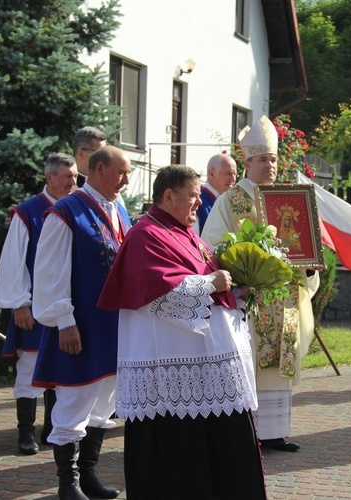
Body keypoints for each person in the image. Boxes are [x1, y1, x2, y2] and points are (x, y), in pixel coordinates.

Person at [97, 165, 266, 499]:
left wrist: (240, 288)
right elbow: (154, 290)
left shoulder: (187, 233)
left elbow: (208, 289)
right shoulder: (146, 234)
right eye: (193, 194)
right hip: (169, 368)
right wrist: (210, 282)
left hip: (207, 365)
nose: (198, 201)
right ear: (169, 195)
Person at [202, 115, 320, 452]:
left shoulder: (289, 198)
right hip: (251, 299)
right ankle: (246, 432)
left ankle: (274, 432)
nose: (269, 165)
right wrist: (242, 274)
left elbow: (304, 245)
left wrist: (310, 267)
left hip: (284, 298)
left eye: (273, 159)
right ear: (248, 163)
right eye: (262, 159)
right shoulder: (230, 201)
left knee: (282, 363)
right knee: (250, 362)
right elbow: (213, 246)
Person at [32, 146, 131, 500]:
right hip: (80, 326)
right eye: (122, 172)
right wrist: (64, 321)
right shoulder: (65, 212)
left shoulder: (119, 209)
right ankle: (67, 483)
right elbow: (49, 272)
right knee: (74, 400)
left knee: (104, 402)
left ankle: (87, 475)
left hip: (113, 326)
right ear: (99, 169)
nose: (127, 179)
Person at [0, 153, 77, 455]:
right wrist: (19, 303)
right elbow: (14, 259)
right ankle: (25, 432)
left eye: (75, 176)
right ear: (50, 178)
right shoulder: (28, 212)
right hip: (33, 307)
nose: (73, 182)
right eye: (67, 176)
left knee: (60, 368)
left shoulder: (76, 208)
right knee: (29, 369)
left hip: (66, 307)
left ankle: (51, 428)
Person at [191, 153, 237, 235]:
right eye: (228, 173)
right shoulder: (197, 202)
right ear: (212, 173)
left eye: (234, 174)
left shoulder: (230, 202)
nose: (233, 179)